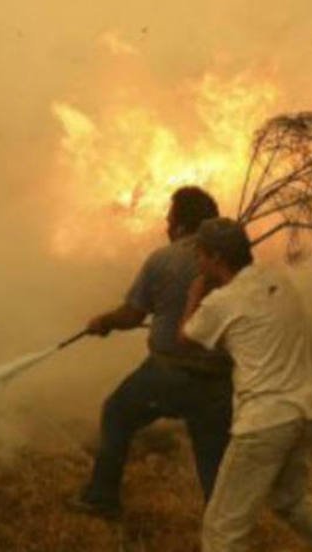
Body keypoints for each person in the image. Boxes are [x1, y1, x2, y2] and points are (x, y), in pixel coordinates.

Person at [180, 217, 312, 552]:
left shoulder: (221, 303)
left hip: (262, 423)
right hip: (301, 413)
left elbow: (185, 337)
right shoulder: (280, 280)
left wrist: (195, 293)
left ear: (217, 258)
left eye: (200, 254)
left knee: (222, 530)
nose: (197, 261)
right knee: (290, 501)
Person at [69, 186, 233, 519]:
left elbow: (132, 315)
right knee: (212, 455)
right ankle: (224, 528)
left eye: (170, 220)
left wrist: (105, 322)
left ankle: (101, 499)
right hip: (218, 379)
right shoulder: (232, 263)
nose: (166, 227)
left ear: (184, 226)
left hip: (168, 374)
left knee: (116, 413)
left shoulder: (164, 258)